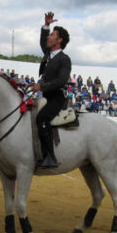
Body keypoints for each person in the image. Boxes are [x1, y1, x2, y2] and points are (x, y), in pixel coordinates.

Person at [30, 11, 71, 168]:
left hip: (56, 98)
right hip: (46, 96)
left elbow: (61, 81)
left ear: (59, 40)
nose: (48, 37)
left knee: (42, 119)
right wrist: (47, 26)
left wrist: (41, 86)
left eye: (52, 35)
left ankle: (50, 157)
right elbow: (43, 40)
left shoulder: (64, 59)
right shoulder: (48, 54)